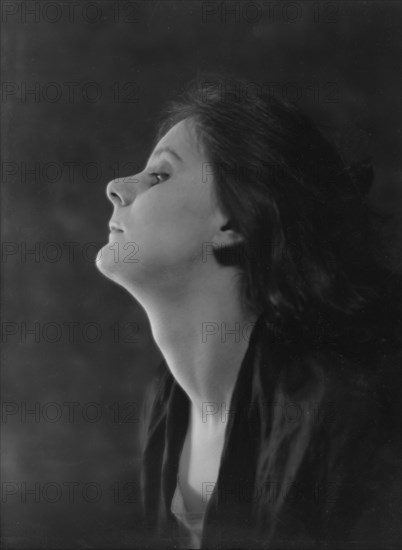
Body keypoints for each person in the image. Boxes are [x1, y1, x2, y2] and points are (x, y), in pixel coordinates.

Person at [96, 75, 401, 549]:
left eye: (159, 175)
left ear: (235, 224)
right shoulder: (164, 404)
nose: (116, 187)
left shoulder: (337, 409)